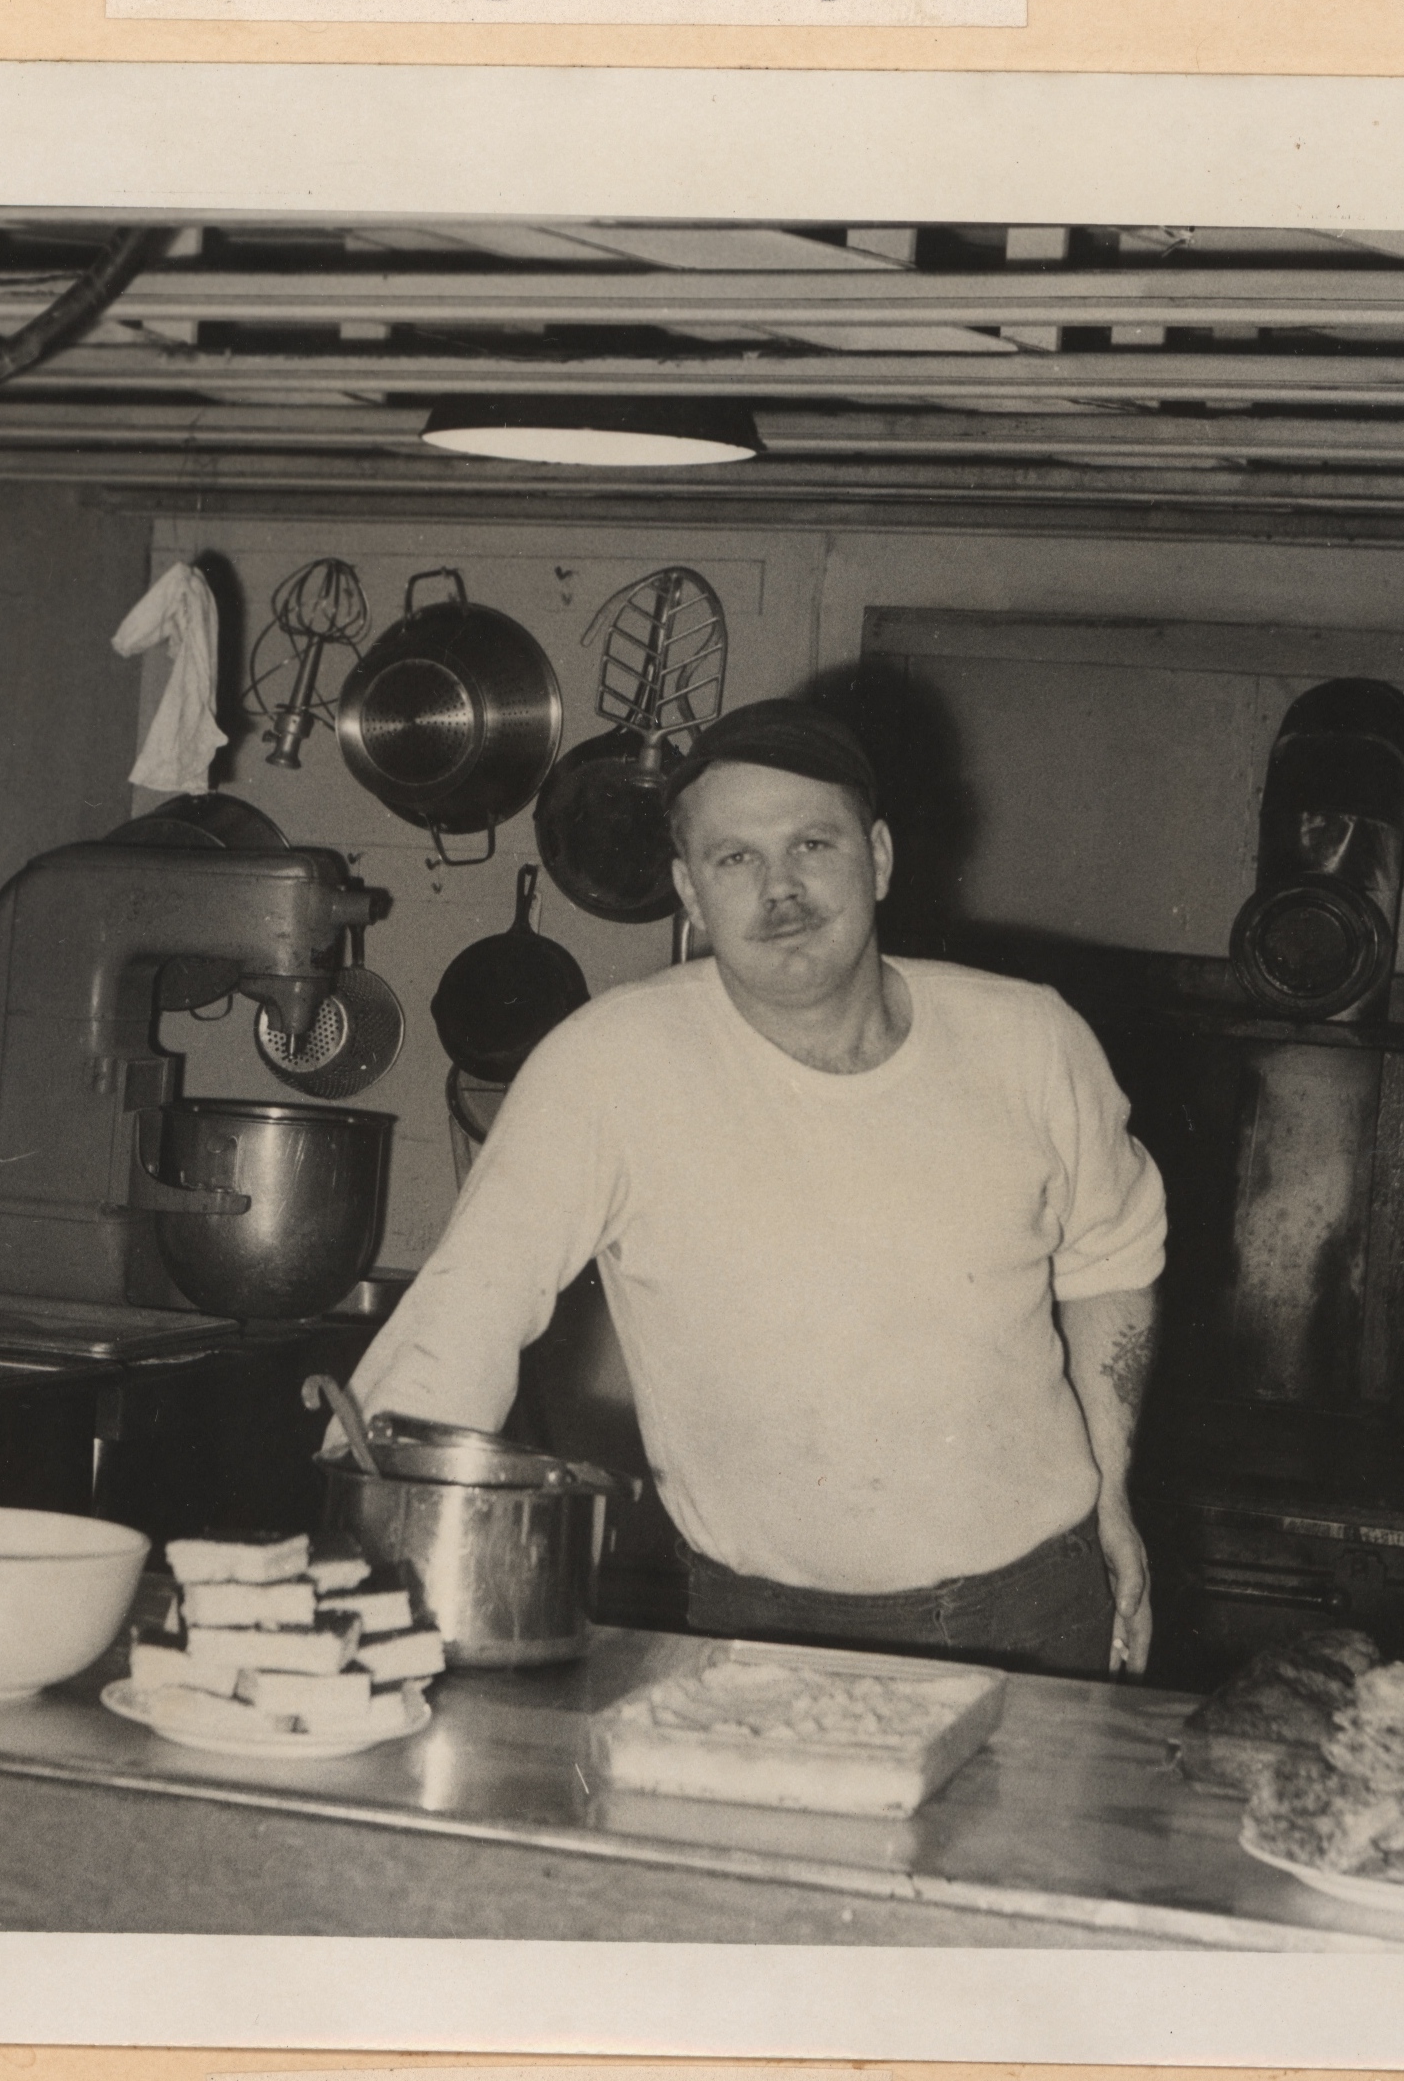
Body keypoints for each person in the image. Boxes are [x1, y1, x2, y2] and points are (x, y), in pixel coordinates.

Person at [343, 699, 1165, 1675]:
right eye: (735, 859)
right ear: (689, 891)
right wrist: (370, 1556)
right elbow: (464, 1313)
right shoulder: (607, 1068)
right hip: (758, 1629)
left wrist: (1114, 1489)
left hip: (1033, 1614)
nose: (781, 889)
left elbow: (1111, 1259)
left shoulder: (1030, 1040)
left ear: (879, 858)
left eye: (813, 844)